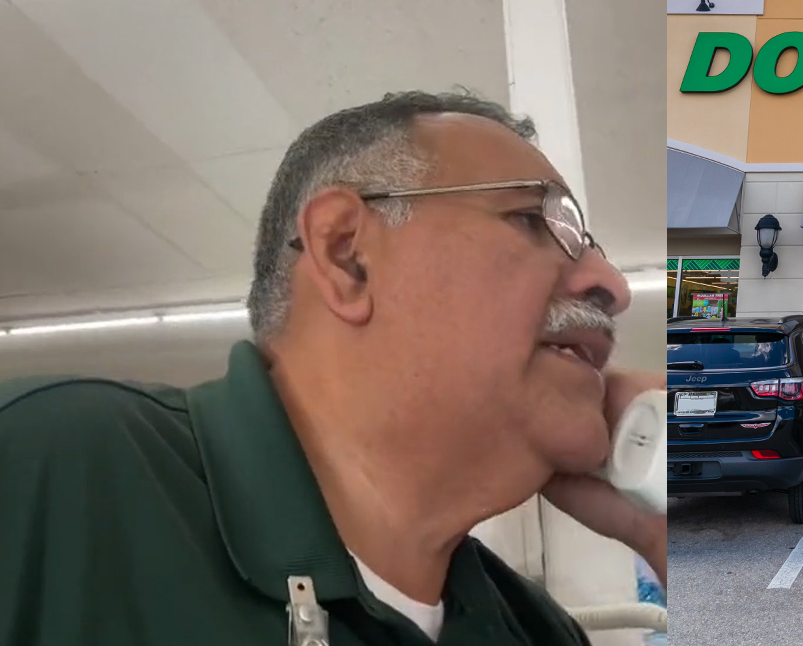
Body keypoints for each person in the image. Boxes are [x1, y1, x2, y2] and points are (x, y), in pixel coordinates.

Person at [0, 91, 666, 644]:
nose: (610, 283)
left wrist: (661, 529)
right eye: (534, 220)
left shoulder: (535, 632)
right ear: (348, 255)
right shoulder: (50, 472)